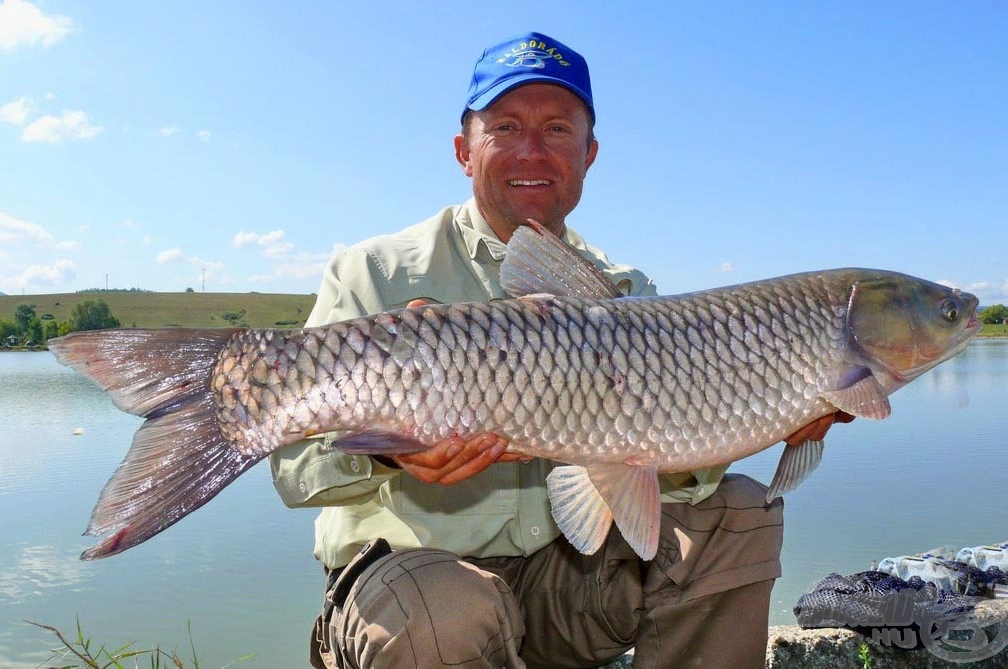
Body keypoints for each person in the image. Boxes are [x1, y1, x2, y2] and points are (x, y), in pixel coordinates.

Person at [270, 31, 849, 669]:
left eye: (556, 129)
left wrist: (770, 406)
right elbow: (296, 470)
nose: (532, 151)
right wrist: (392, 458)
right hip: (412, 582)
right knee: (446, 613)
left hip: (562, 582)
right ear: (465, 151)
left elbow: (673, 476)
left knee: (737, 512)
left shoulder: (626, 293)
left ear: (590, 153)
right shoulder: (374, 273)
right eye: (506, 127)